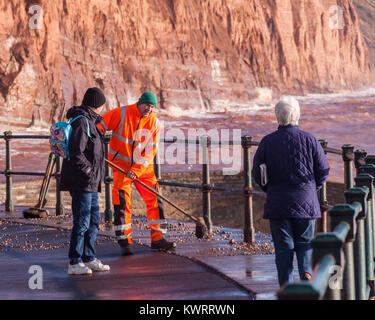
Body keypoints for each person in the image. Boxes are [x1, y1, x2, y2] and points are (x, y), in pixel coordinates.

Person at [252, 96, 330, 287]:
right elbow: (324, 169)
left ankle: (286, 287)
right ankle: (306, 274)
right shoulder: (310, 139)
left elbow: (256, 172)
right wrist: (312, 189)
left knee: (283, 248)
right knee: (304, 243)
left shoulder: (267, 142)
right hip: (305, 201)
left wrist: (269, 189)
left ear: (277, 116)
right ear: (297, 115)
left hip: (278, 202)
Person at [97, 91, 176, 255]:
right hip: (120, 166)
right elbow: (99, 127)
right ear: (140, 103)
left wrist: (136, 170)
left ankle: (157, 239)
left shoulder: (155, 123)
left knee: (154, 200)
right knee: (122, 204)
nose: (149, 109)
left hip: (143, 169)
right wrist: (92, 143)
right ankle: (125, 242)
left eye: (153, 107)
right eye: (147, 105)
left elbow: (150, 151)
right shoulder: (121, 113)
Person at [60, 87, 110, 275]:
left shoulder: (90, 120)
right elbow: (76, 153)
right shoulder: (82, 122)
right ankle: (74, 262)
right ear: (98, 104)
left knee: (94, 220)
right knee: (82, 222)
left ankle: (89, 258)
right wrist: (89, 172)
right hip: (83, 182)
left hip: (91, 182)